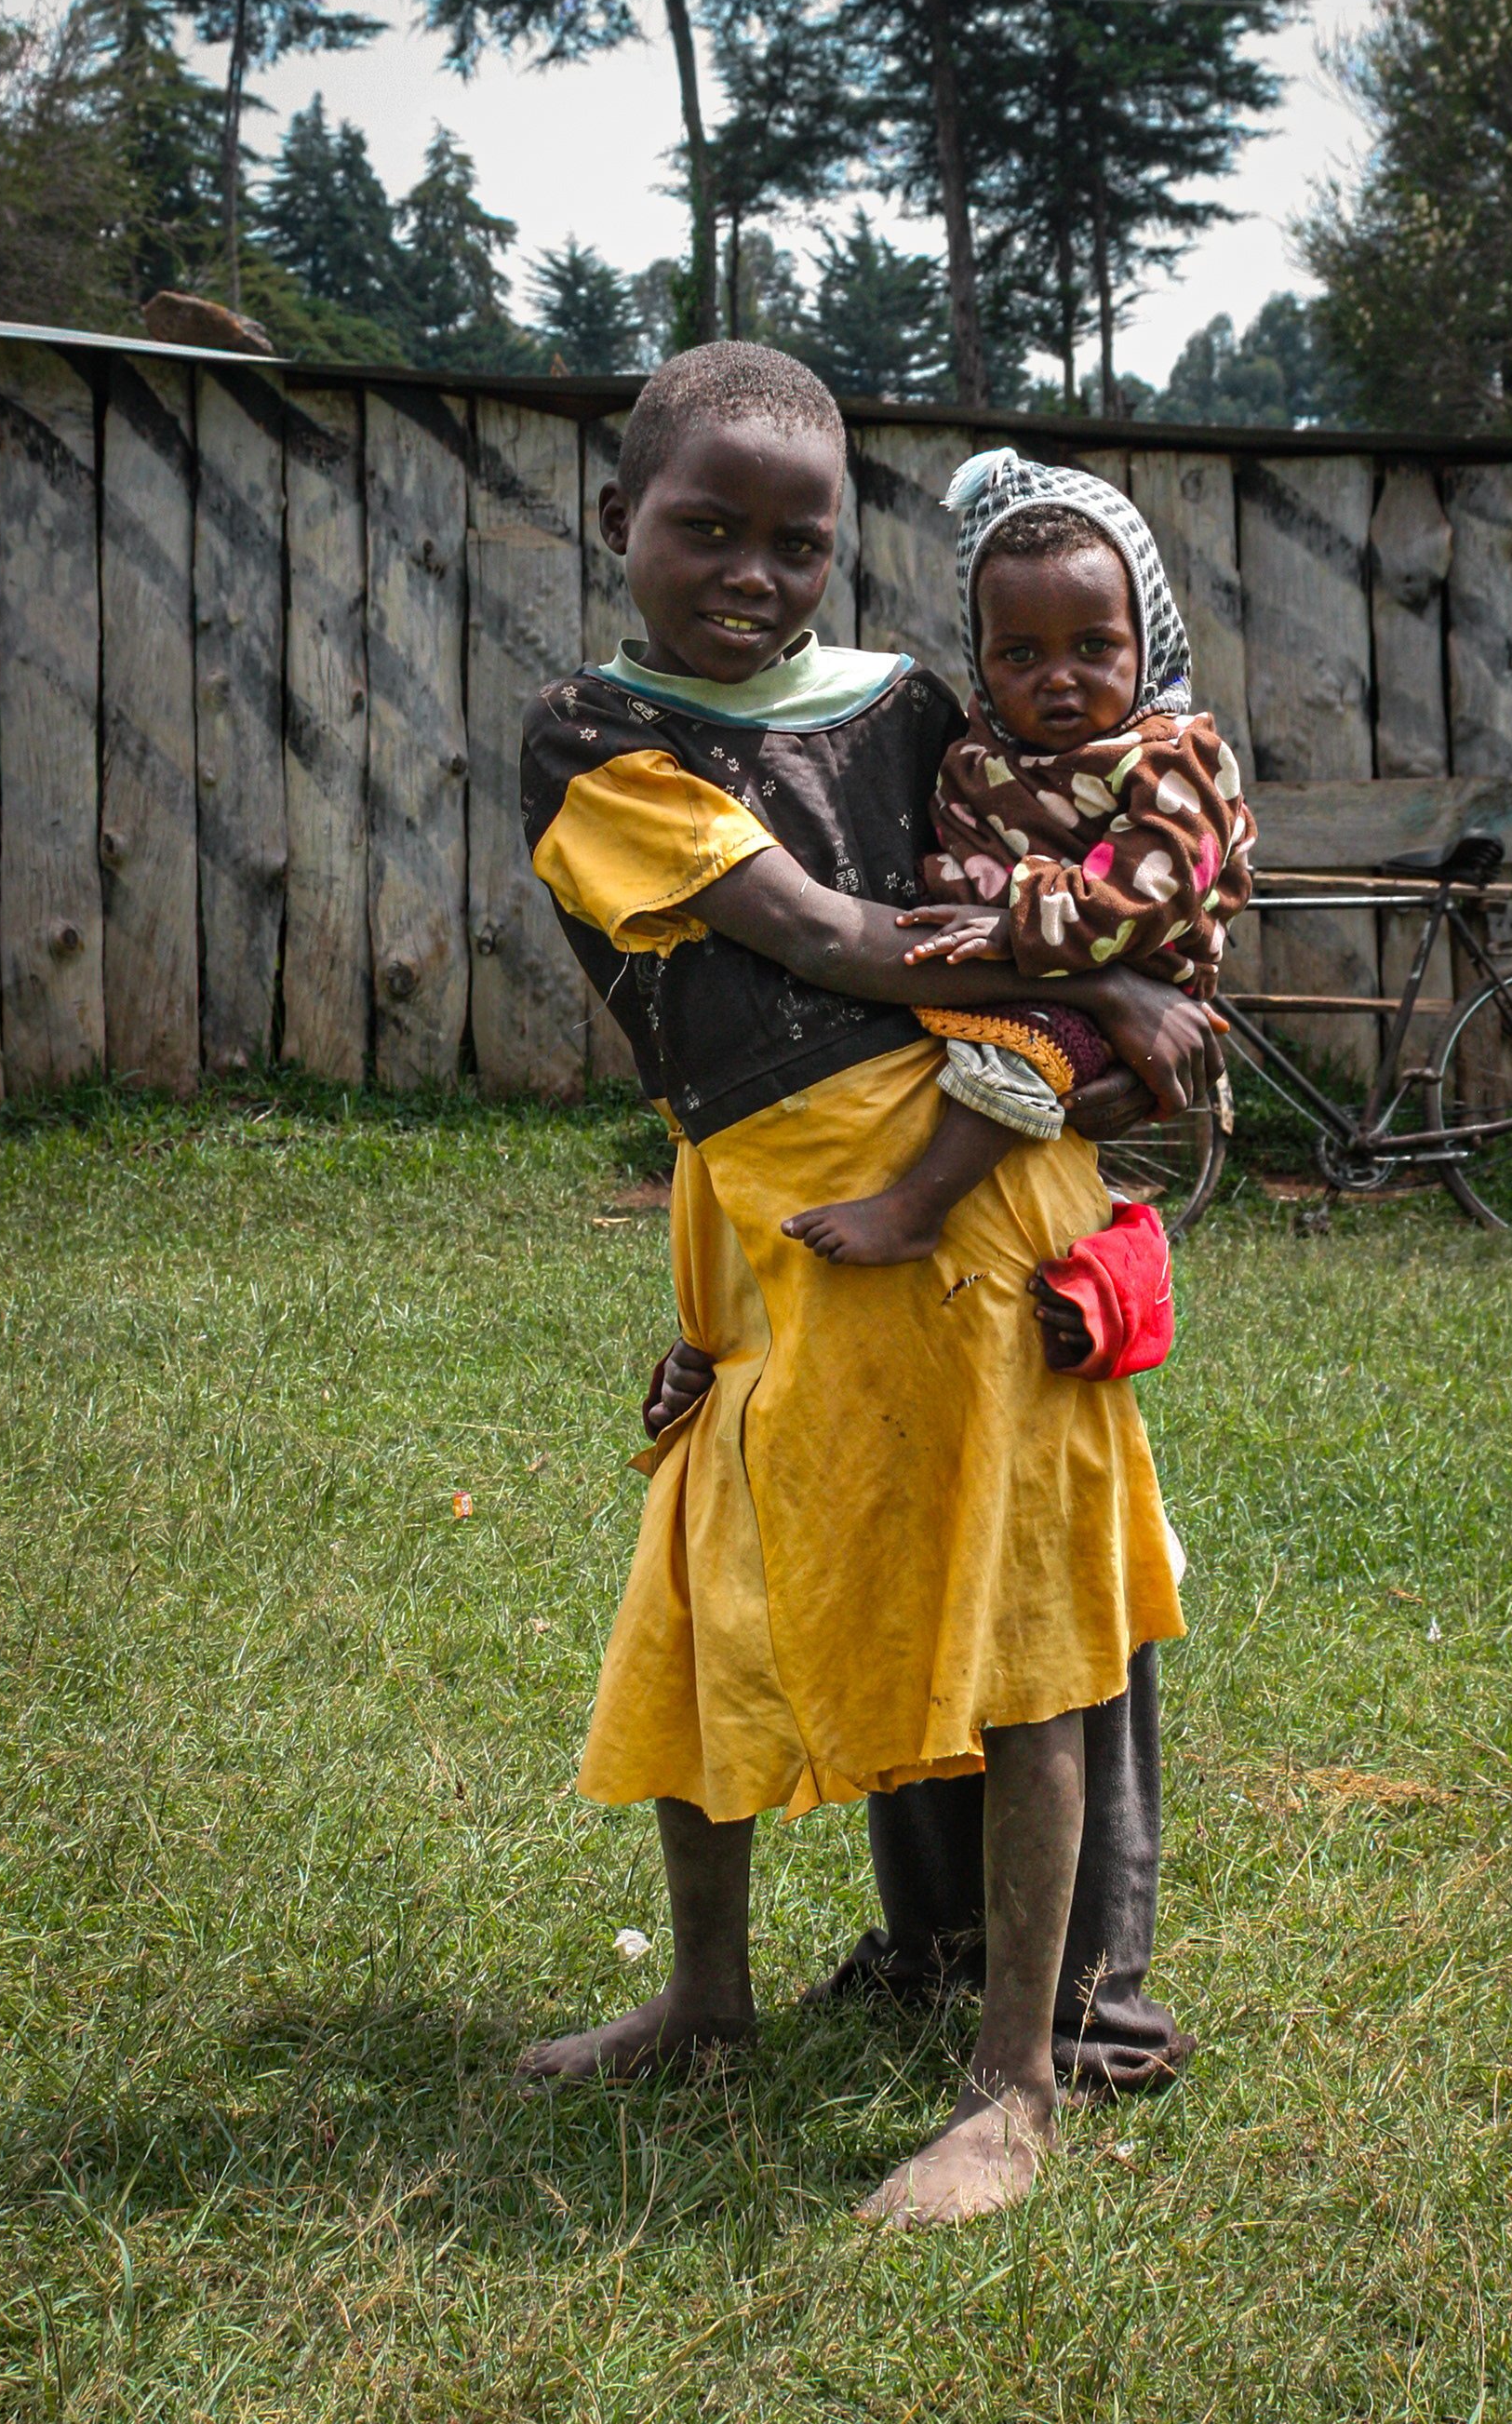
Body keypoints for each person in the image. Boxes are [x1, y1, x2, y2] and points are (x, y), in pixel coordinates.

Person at [517, 342, 1220, 2226]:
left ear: (843, 552)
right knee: (711, 1597)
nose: (751, 573)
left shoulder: (923, 707)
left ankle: (1021, 2076)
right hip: (769, 1225)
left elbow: (1120, 854)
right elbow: (814, 935)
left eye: (797, 543)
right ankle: (710, 1995)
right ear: (619, 525)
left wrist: (1118, 997)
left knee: (1024, 1633)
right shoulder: (594, 735)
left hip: (977, 1216)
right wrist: (1098, 988)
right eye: (707, 530)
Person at [783, 446, 1254, 1268]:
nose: (1060, 680)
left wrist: (1010, 926)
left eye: (1095, 646)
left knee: (1017, 1050)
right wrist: (970, 899)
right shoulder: (981, 757)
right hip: (1033, 957)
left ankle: (918, 1209)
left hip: (1144, 974)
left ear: (1149, 636)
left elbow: (1153, 887)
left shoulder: (1173, 758)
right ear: (981, 657)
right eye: (1021, 656)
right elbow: (959, 855)